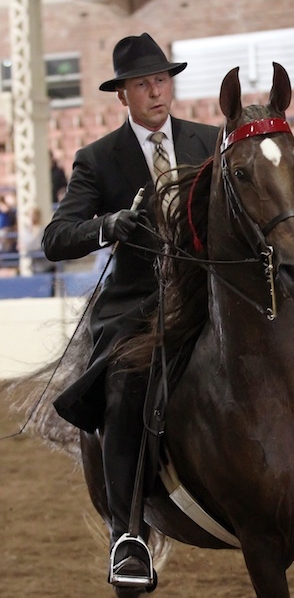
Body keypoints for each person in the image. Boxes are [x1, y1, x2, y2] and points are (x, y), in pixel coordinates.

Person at [42, 33, 220, 589]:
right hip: (138, 304)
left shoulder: (213, 141)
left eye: (161, 80)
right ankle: (127, 536)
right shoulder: (97, 159)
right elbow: (56, 236)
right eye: (142, 84)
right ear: (122, 95)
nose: (155, 91)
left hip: (214, 292)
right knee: (124, 384)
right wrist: (109, 225)